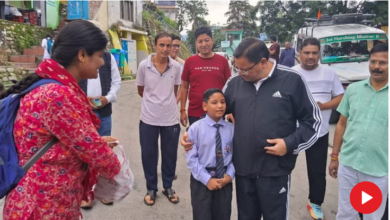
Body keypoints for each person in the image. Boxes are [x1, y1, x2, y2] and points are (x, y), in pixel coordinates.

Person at [182, 38, 321, 220]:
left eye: (245, 69)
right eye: (237, 67)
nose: (240, 73)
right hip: (243, 170)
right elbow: (215, 112)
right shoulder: (235, 83)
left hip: (275, 171)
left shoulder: (291, 80)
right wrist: (193, 133)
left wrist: (289, 144)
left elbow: (313, 122)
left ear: (263, 62)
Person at [1, 20, 121, 220]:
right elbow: (94, 151)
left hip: (37, 200)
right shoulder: (58, 95)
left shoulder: (49, 85)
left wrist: (97, 142)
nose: (102, 62)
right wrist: (121, 175)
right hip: (45, 206)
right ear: (82, 55)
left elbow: (69, 139)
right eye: (99, 56)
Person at [329, 43, 388, 220]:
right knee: (346, 213)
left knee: (370, 215)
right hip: (348, 164)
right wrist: (334, 157)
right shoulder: (354, 90)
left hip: (377, 169)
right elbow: (341, 124)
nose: (376, 67)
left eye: (383, 63)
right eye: (373, 62)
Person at [292, 38, 345, 220]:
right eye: (307, 53)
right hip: (294, 131)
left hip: (319, 131)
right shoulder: (292, 74)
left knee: (316, 171)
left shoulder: (329, 73)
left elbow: (340, 96)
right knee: (283, 167)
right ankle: (278, 197)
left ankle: (316, 203)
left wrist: (324, 106)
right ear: (299, 54)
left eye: (315, 53)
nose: (311, 56)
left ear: (319, 54)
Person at [78, 22, 122, 208]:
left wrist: (107, 98)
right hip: (82, 112)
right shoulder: (79, 58)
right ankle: (86, 193)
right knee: (84, 153)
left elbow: (116, 81)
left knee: (105, 151)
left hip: (103, 111)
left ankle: (104, 191)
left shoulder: (108, 57)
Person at [136, 32, 181, 206]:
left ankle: (168, 186)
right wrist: (153, 102)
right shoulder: (143, 66)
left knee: (170, 154)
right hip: (148, 118)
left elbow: (175, 89)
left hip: (170, 118)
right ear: (155, 46)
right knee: (149, 155)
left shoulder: (176, 67)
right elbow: (141, 90)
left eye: (169, 45)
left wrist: (167, 103)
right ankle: (151, 188)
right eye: (161, 45)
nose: (165, 49)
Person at [186, 88, 235, 220]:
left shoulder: (231, 129)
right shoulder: (195, 128)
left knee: (223, 214)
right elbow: (191, 159)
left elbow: (235, 157)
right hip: (201, 180)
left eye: (223, 102)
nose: (220, 106)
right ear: (204, 106)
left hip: (224, 179)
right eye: (214, 102)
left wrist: (229, 176)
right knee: (202, 215)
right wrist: (207, 180)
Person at [180, 26, 231, 126]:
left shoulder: (222, 61)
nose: (204, 44)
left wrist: (230, 111)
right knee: (197, 140)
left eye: (207, 40)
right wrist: (182, 110)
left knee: (217, 140)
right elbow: (184, 87)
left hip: (218, 112)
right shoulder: (190, 62)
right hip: (195, 112)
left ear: (212, 40)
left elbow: (229, 87)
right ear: (196, 43)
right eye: (200, 41)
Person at [170, 34, 185, 104]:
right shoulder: (159, 63)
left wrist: (175, 102)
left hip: (171, 104)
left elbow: (183, 87)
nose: (176, 48)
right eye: (174, 45)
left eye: (178, 46)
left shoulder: (182, 64)